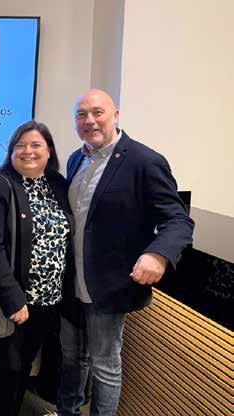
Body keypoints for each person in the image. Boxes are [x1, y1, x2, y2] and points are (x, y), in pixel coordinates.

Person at [52, 89, 194, 416]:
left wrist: (158, 254)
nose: (89, 121)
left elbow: (178, 220)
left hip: (108, 285)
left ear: (115, 115)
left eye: (97, 112)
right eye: (81, 115)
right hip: (72, 284)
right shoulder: (75, 159)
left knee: (105, 365)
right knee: (72, 358)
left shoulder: (144, 161)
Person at [0, 120, 73, 416]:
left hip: (50, 300)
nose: (28, 151)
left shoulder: (59, 185)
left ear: (49, 151)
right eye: (20, 146)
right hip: (12, 301)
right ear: (10, 152)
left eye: (36, 145)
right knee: (9, 367)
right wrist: (13, 299)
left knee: (24, 365)